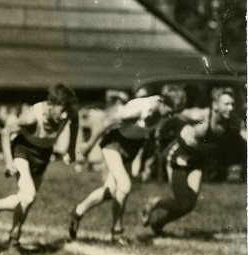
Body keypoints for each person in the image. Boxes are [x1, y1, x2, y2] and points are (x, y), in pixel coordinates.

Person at [67, 89, 184, 242]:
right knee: (124, 186)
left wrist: (147, 163)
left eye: (174, 113)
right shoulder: (139, 109)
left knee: (111, 191)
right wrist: (89, 145)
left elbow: (149, 136)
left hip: (131, 148)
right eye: (169, 112)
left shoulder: (161, 111)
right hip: (114, 144)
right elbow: (106, 123)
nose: (169, 117)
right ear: (162, 102)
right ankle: (117, 231)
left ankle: (77, 212)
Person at [0, 83, 79, 255]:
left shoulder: (67, 113)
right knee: (28, 195)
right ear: (51, 104)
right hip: (22, 152)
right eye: (61, 109)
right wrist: (9, 162)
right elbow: (5, 132)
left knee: (26, 200)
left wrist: (72, 149)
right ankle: (14, 240)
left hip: (42, 155)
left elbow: (75, 121)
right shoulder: (32, 118)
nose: (64, 115)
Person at [140, 87, 240, 236]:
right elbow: (177, 113)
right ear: (215, 105)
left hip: (197, 159)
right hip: (178, 154)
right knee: (182, 201)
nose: (231, 108)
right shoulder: (203, 116)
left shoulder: (233, 122)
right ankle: (154, 203)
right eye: (226, 104)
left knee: (188, 205)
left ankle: (159, 223)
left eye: (232, 104)